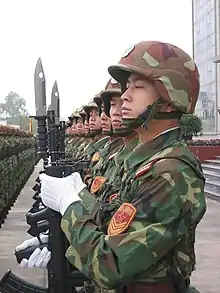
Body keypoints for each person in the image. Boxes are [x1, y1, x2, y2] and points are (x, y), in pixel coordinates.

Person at [33, 41, 208, 293]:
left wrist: (68, 206)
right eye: (127, 86)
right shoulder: (140, 161)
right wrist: (60, 229)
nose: (125, 95)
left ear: (170, 100)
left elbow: (110, 264)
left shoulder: (171, 172)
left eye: (138, 87)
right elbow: (106, 221)